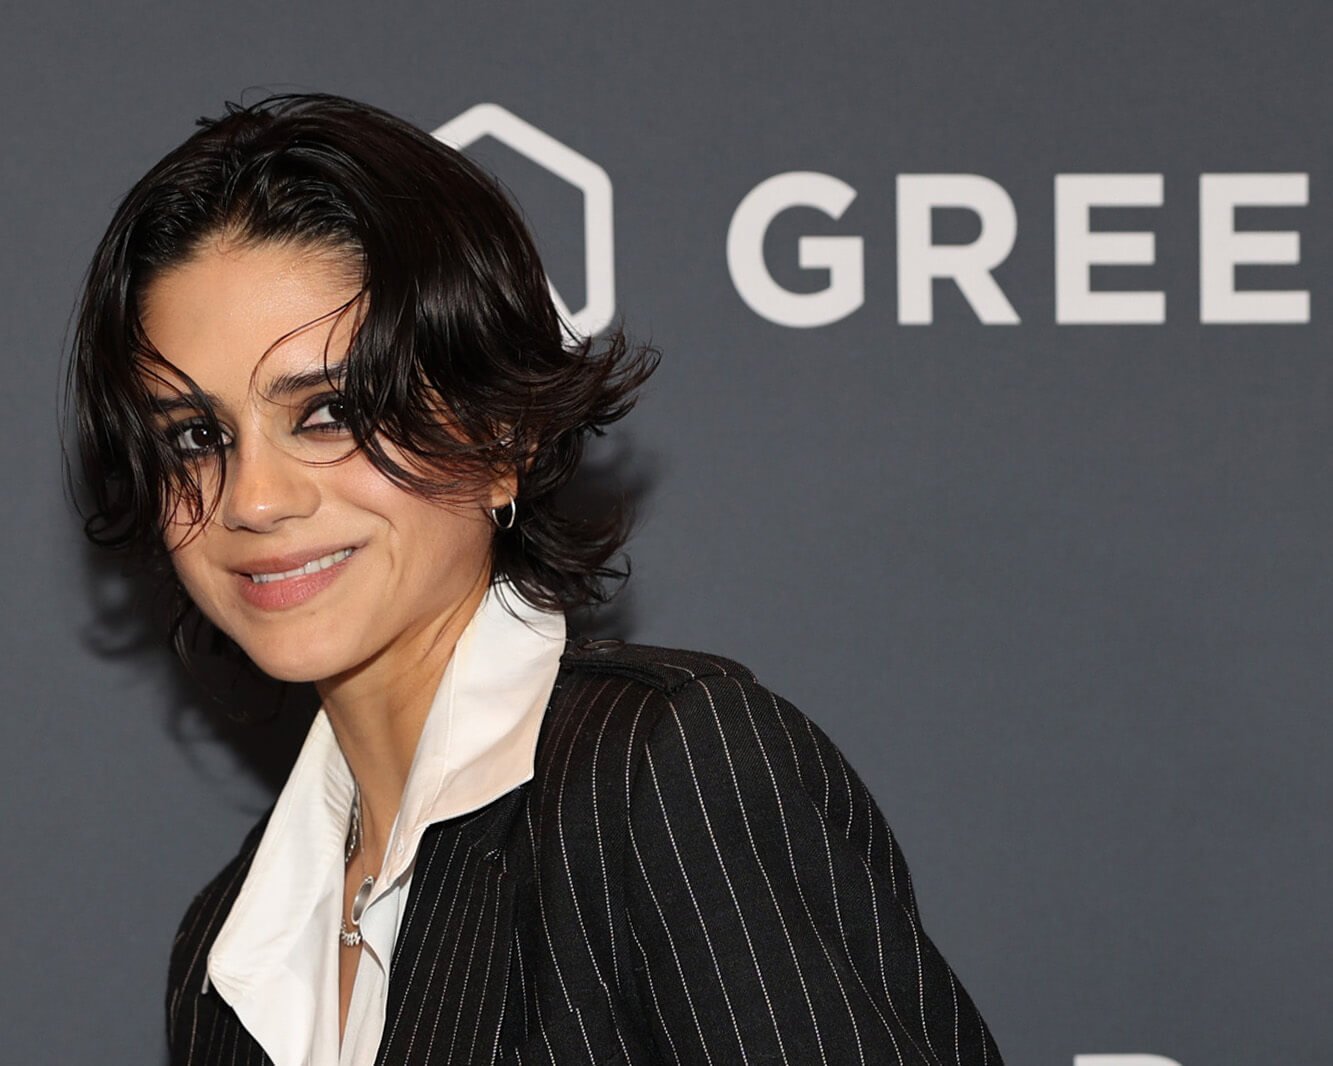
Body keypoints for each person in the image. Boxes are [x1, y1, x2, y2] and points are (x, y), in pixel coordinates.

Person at [69, 93, 1004, 1065]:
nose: (253, 499)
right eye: (195, 435)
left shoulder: (661, 773)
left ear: (500, 437)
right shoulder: (229, 947)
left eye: (331, 412)